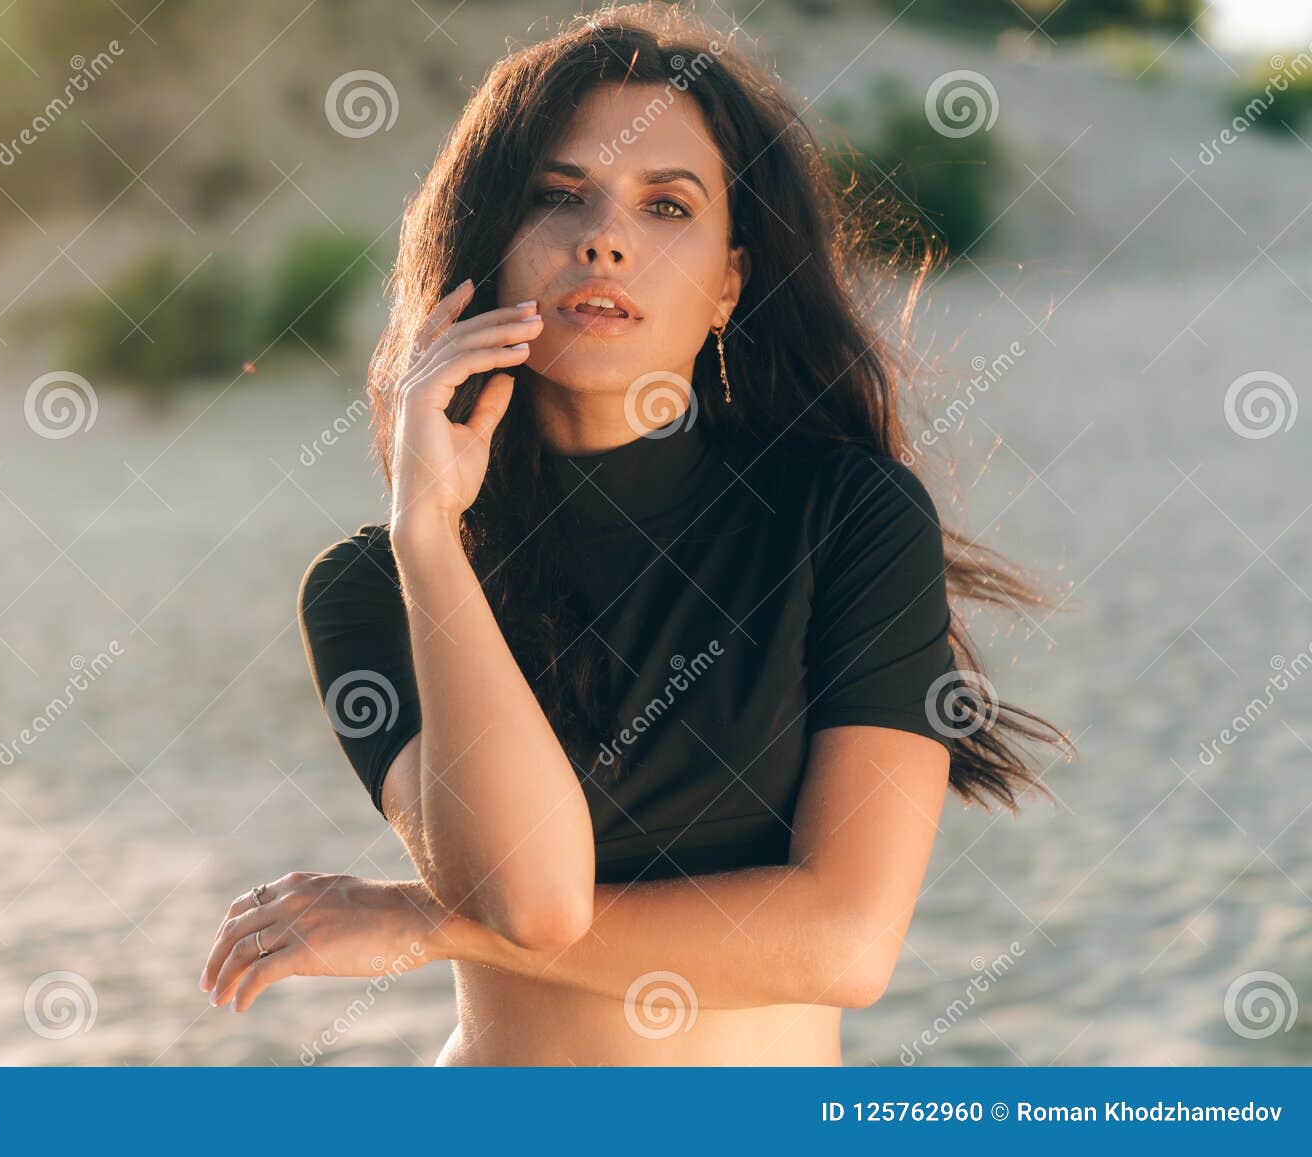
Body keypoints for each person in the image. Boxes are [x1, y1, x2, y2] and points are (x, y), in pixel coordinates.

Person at [199, 1, 1070, 1065]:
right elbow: (535, 894)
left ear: (728, 284)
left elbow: (844, 940)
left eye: (666, 207)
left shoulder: (845, 518)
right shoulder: (378, 583)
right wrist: (427, 531)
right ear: (487, 251)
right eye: (557, 198)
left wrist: (425, 923)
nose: (603, 236)